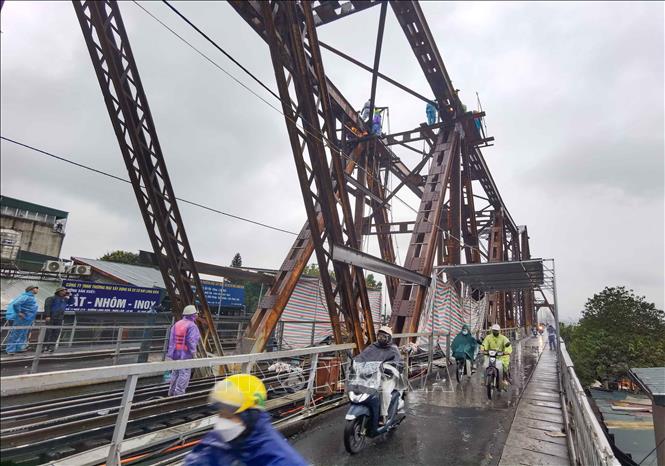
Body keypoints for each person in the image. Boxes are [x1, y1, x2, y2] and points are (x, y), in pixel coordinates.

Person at [184, 374, 308, 466]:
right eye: (221, 414)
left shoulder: (281, 460)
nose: (223, 422)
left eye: (229, 416)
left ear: (250, 415)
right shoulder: (221, 438)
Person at [354, 325, 403, 425]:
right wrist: (355, 361)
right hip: (373, 374)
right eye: (379, 336)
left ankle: (383, 415)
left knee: (384, 391)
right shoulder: (373, 347)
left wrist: (389, 368)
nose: (381, 338)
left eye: (384, 337)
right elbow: (362, 356)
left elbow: (398, 363)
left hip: (388, 376)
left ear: (389, 338)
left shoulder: (393, 349)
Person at [166, 304, 201, 396]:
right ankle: (179, 394)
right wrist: (194, 353)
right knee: (184, 374)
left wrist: (171, 352)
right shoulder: (192, 326)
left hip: (175, 354)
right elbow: (191, 341)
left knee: (175, 373)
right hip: (186, 354)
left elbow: (171, 340)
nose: (197, 315)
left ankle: (171, 392)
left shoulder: (177, 324)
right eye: (196, 313)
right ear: (193, 315)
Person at [5, 285, 40, 354]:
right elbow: (16, 304)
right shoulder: (25, 296)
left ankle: (18, 348)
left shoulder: (31, 297)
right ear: (31, 289)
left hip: (28, 318)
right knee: (16, 333)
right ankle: (10, 349)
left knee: (23, 333)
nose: (37, 290)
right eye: (36, 288)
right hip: (22, 318)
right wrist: (19, 312)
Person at [43, 287, 69, 352]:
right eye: (64, 291)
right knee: (48, 332)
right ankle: (44, 346)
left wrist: (71, 295)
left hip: (59, 318)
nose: (65, 292)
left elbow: (71, 302)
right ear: (59, 291)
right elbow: (47, 307)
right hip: (51, 317)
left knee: (56, 332)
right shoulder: (51, 298)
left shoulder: (65, 299)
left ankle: (51, 346)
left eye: (65, 291)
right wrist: (47, 315)